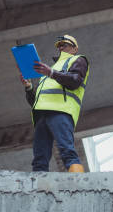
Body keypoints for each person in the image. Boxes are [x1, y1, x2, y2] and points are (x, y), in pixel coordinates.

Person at [19, 34, 90, 172]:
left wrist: (51, 72)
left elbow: (75, 81)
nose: (61, 48)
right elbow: (36, 101)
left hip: (61, 111)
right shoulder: (48, 71)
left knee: (67, 151)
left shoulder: (78, 60)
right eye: (59, 46)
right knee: (39, 159)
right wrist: (29, 87)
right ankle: (38, 188)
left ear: (75, 49)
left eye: (65, 45)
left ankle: (79, 184)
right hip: (41, 115)